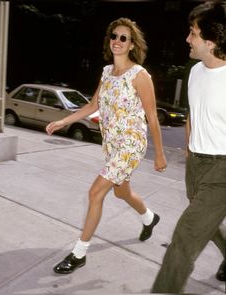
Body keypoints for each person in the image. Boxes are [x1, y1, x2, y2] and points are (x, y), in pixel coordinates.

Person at [46, 17, 167, 275]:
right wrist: (63, 121)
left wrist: (160, 154)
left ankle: (79, 253)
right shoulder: (106, 73)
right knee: (121, 192)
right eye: (114, 36)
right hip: (112, 144)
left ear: (132, 44)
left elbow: (153, 117)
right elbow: (93, 106)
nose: (117, 41)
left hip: (131, 144)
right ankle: (149, 217)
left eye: (124, 38)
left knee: (95, 193)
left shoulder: (140, 75)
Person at [151, 1, 226, 293]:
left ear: (211, 41)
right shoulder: (194, 71)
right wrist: (189, 148)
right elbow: (193, 113)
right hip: (195, 163)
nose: (187, 39)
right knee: (204, 223)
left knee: (185, 236)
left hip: (223, 170)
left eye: (192, 33)